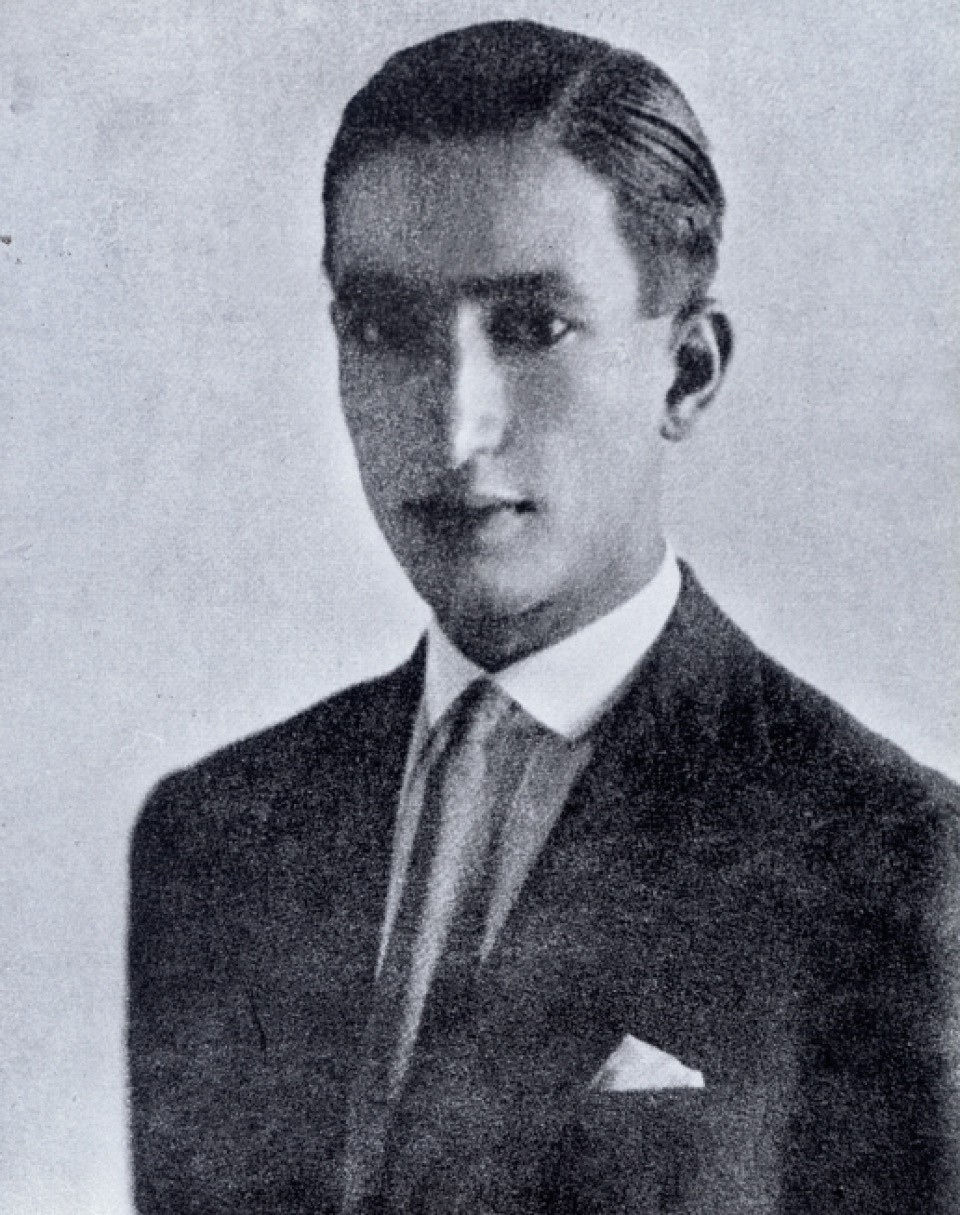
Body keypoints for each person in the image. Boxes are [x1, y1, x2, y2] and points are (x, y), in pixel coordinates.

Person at [127, 20, 959, 1214]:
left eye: (532, 328)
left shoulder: (887, 863)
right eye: (385, 330)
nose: (455, 424)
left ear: (687, 372)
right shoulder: (214, 839)